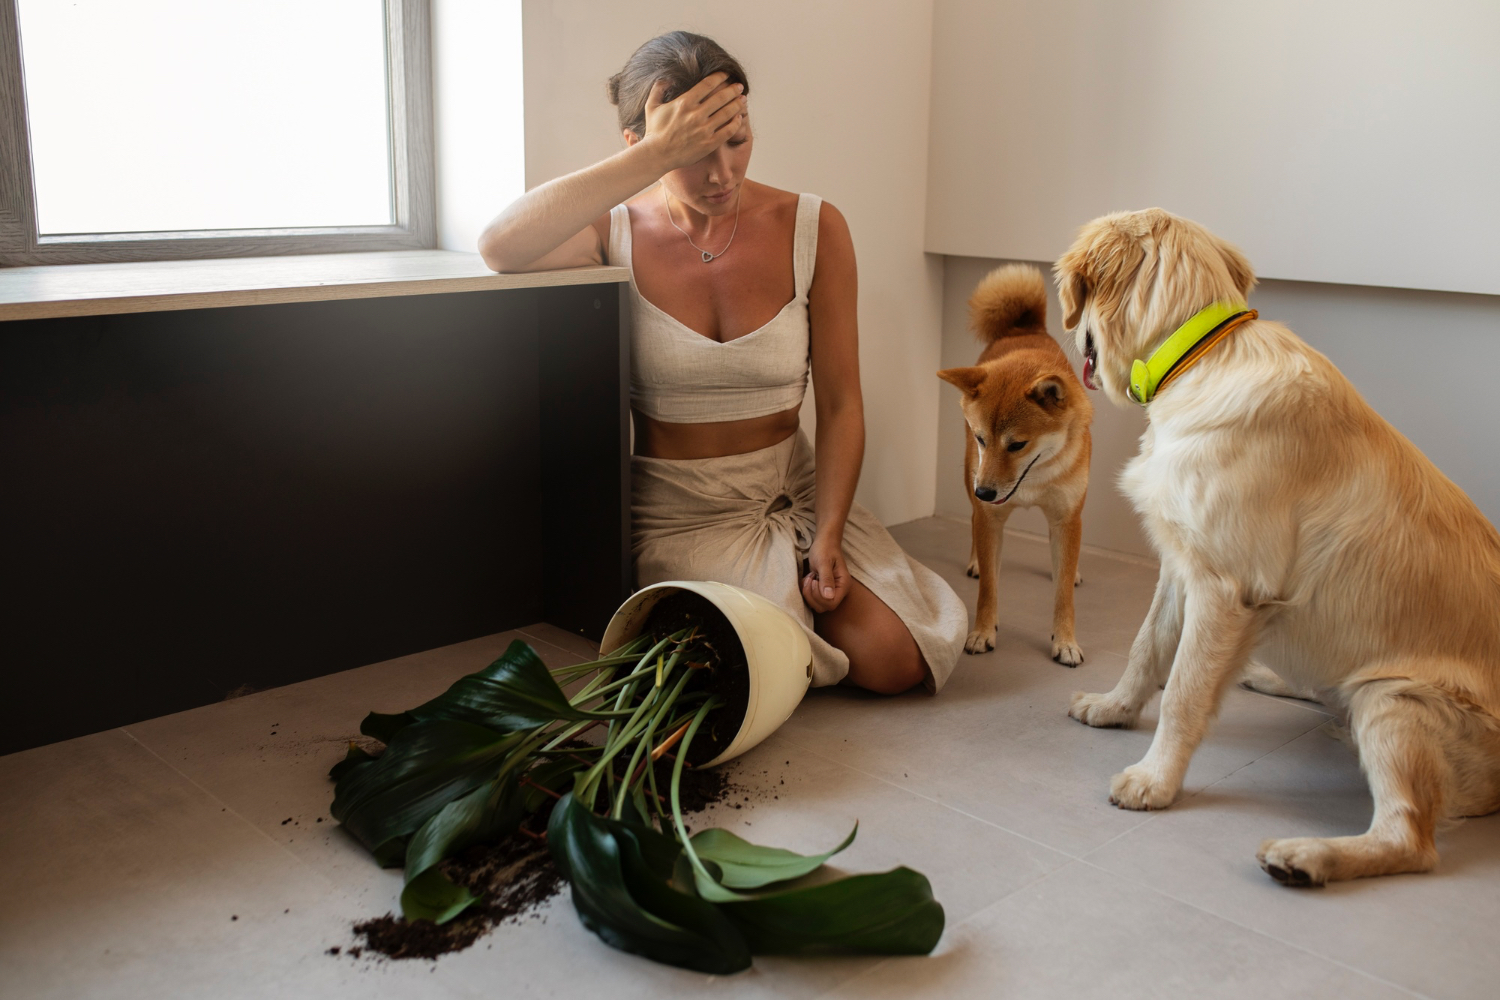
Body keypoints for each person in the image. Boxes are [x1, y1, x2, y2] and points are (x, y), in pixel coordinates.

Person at [478, 31, 965, 694]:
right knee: (763, 670)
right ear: (640, 146)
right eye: (694, 152)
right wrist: (654, 154)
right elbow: (499, 246)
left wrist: (826, 535)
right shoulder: (613, 232)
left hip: (792, 491)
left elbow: (844, 404)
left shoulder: (815, 227)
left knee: (897, 661)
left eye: (736, 139)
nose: (722, 174)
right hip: (684, 512)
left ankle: (788, 601)